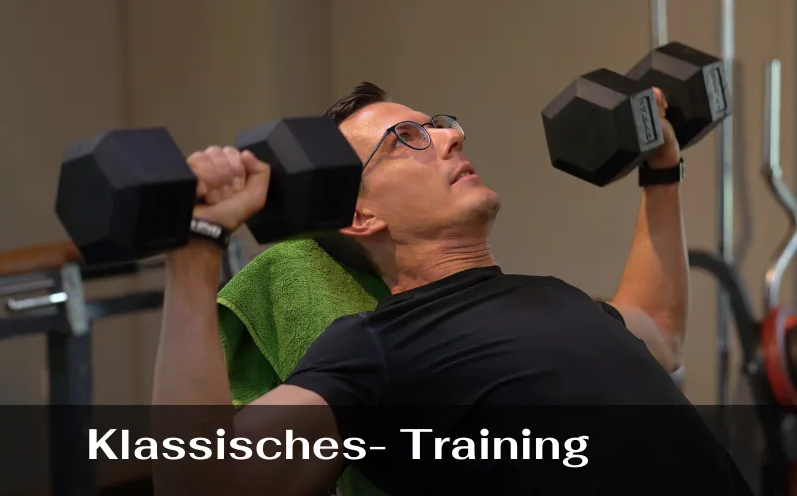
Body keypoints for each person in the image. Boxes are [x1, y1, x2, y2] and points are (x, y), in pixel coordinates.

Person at [150, 82, 754, 495]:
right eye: (406, 138)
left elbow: (660, 329)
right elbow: (209, 480)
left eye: (438, 125)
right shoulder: (379, 345)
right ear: (360, 217)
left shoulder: (552, 295)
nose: (450, 138)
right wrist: (196, 247)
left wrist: (661, 171)